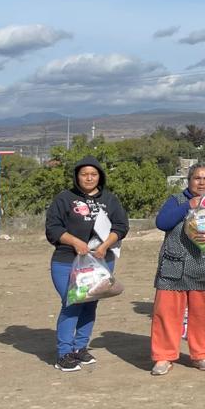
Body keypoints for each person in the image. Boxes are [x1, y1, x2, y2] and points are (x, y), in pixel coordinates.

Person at [151, 163, 205, 375]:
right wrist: (189, 204)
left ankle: (203, 354)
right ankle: (163, 356)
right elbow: (162, 222)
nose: (201, 182)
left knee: (204, 314)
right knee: (166, 314)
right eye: (197, 178)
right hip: (174, 266)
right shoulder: (177, 200)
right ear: (189, 181)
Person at [44, 156, 129, 372]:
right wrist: (74, 241)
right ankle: (64, 353)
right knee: (72, 303)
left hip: (101, 261)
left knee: (90, 303)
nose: (89, 178)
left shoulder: (110, 199)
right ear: (77, 176)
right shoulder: (64, 198)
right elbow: (52, 228)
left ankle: (80, 347)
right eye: (84, 174)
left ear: (100, 176)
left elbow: (121, 225)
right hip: (67, 261)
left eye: (93, 174)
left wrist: (104, 246)